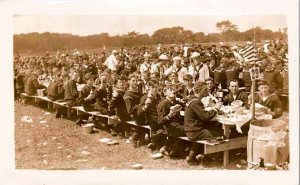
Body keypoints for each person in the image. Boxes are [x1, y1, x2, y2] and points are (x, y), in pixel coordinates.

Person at [184, 81, 223, 164]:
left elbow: (201, 114)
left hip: (192, 129)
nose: (207, 91)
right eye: (205, 89)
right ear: (200, 90)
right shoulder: (196, 102)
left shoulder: (192, 99)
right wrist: (216, 109)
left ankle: (192, 156)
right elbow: (205, 117)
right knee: (221, 135)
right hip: (194, 131)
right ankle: (209, 156)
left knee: (215, 129)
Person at [137, 79, 164, 153]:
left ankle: (157, 143)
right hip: (149, 119)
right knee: (159, 126)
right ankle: (155, 145)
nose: (155, 89)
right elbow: (139, 112)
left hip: (158, 117)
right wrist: (146, 105)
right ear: (149, 87)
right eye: (153, 87)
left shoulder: (158, 96)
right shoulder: (145, 97)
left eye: (157, 87)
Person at [158, 89, 186, 157]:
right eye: (169, 90)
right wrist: (170, 115)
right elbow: (160, 121)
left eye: (172, 89)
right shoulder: (163, 103)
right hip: (170, 127)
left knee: (185, 127)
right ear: (165, 93)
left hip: (176, 125)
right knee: (189, 129)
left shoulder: (173, 101)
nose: (172, 91)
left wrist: (182, 102)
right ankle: (176, 151)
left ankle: (167, 148)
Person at [123, 74, 144, 147]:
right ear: (129, 82)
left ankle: (139, 137)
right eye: (133, 81)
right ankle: (134, 137)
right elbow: (130, 110)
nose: (135, 82)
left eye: (136, 81)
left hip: (142, 112)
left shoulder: (138, 91)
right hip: (134, 115)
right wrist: (139, 105)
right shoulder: (128, 94)